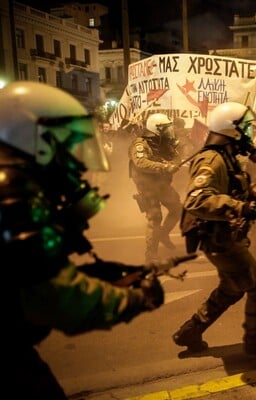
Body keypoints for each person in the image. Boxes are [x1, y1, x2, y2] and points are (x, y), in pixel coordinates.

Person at [0, 81, 165, 399]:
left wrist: (90, 274)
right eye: (66, 147)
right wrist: (135, 299)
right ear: (39, 144)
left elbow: (20, 280)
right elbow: (53, 297)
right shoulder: (11, 194)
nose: (74, 162)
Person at [172, 102, 256, 359]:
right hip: (220, 240)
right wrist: (241, 208)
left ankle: (190, 331)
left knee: (232, 288)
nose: (249, 135)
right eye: (246, 128)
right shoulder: (212, 159)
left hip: (225, 238)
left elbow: (245, 191)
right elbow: (197, 200)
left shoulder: (228, 159)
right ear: (232, 131)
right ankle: (255, 343)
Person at [128, 113, 182, 263]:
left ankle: (163, 234)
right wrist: (164, 166)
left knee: (177, 209)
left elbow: (175, 156)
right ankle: (151, 255)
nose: (168, 132)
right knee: (155, 217)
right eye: (165, 129)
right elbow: (141, 162)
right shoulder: (140, 144)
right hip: (147, 186)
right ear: (155, 129)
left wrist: (174, 162)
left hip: (161, 184)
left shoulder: (162, 142)